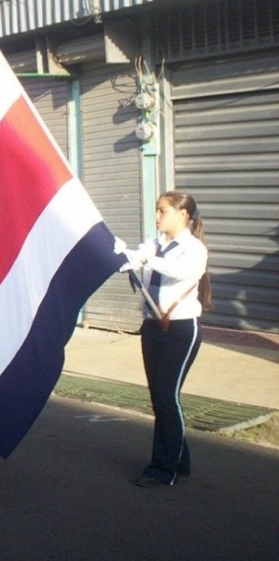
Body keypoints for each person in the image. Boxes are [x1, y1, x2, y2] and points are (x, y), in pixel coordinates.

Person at [121, 190, 211, 488]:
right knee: (160, 398)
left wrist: (148, 259)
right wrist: (129, 259)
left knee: (166, 396)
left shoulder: (194, 249)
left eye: (163, 211)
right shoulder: (155, 245)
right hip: (152, 328)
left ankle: (162, 469)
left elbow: (179, 272)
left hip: (181, 329)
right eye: (157, 210)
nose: (157, 216)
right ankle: (179, 460)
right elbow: (137, 261)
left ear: (182, 214)